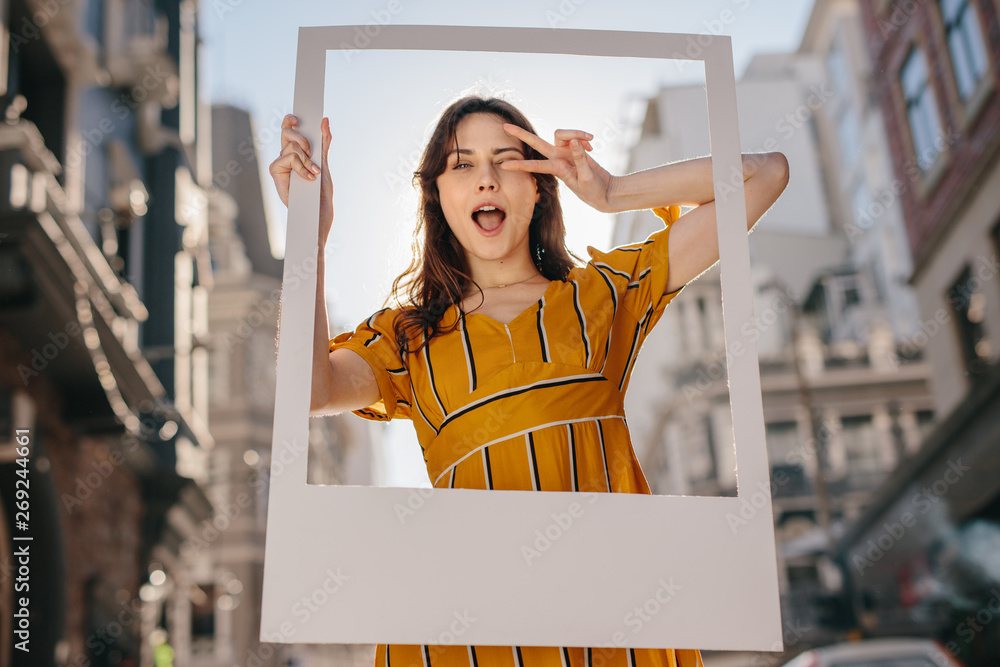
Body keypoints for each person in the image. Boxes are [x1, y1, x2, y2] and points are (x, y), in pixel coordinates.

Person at [269, 95, 789, 667]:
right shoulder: (407, 336)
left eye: (508, 160)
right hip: (459, 639)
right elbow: (308, 392)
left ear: (539, 185)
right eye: (462, 164)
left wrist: (612, 192)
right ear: (437, 196)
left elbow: (764, 175)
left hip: (612, 628)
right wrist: (306, 237)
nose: (487, 179)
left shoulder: (605, 294)